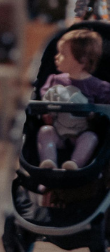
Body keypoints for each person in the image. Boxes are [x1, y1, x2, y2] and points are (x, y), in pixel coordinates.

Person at [37, 30, 110, 170]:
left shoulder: (99, 87)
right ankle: (48, 162)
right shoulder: (54, 81)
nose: (56, 57)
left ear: (82, 59)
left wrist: (95, 116)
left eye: (63, 54)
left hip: (82, 133)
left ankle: (75, 164)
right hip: (58, 131)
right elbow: (44, 100)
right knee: (45, 131)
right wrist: (46, 110)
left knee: (91, 138)